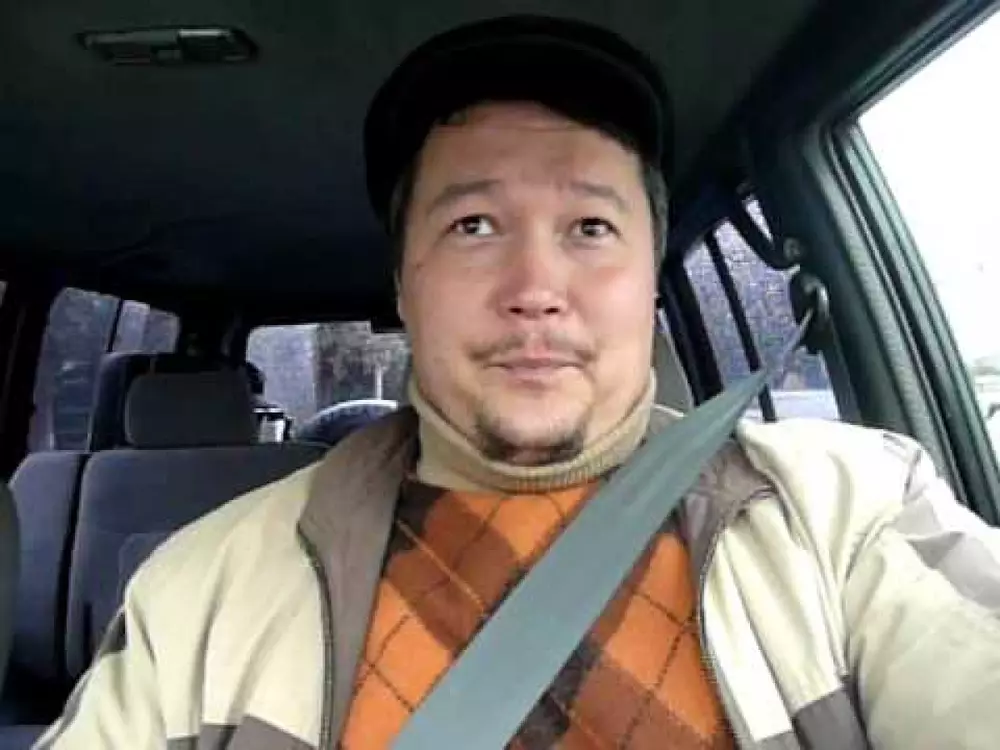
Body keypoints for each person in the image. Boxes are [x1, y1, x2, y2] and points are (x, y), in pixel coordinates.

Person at [35, 15, 1000, 750]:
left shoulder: (846, 516)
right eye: (474, 227)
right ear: (404, 285)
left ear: (650, 279)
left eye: (591, 228)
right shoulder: (201, 591)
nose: (536, 288)